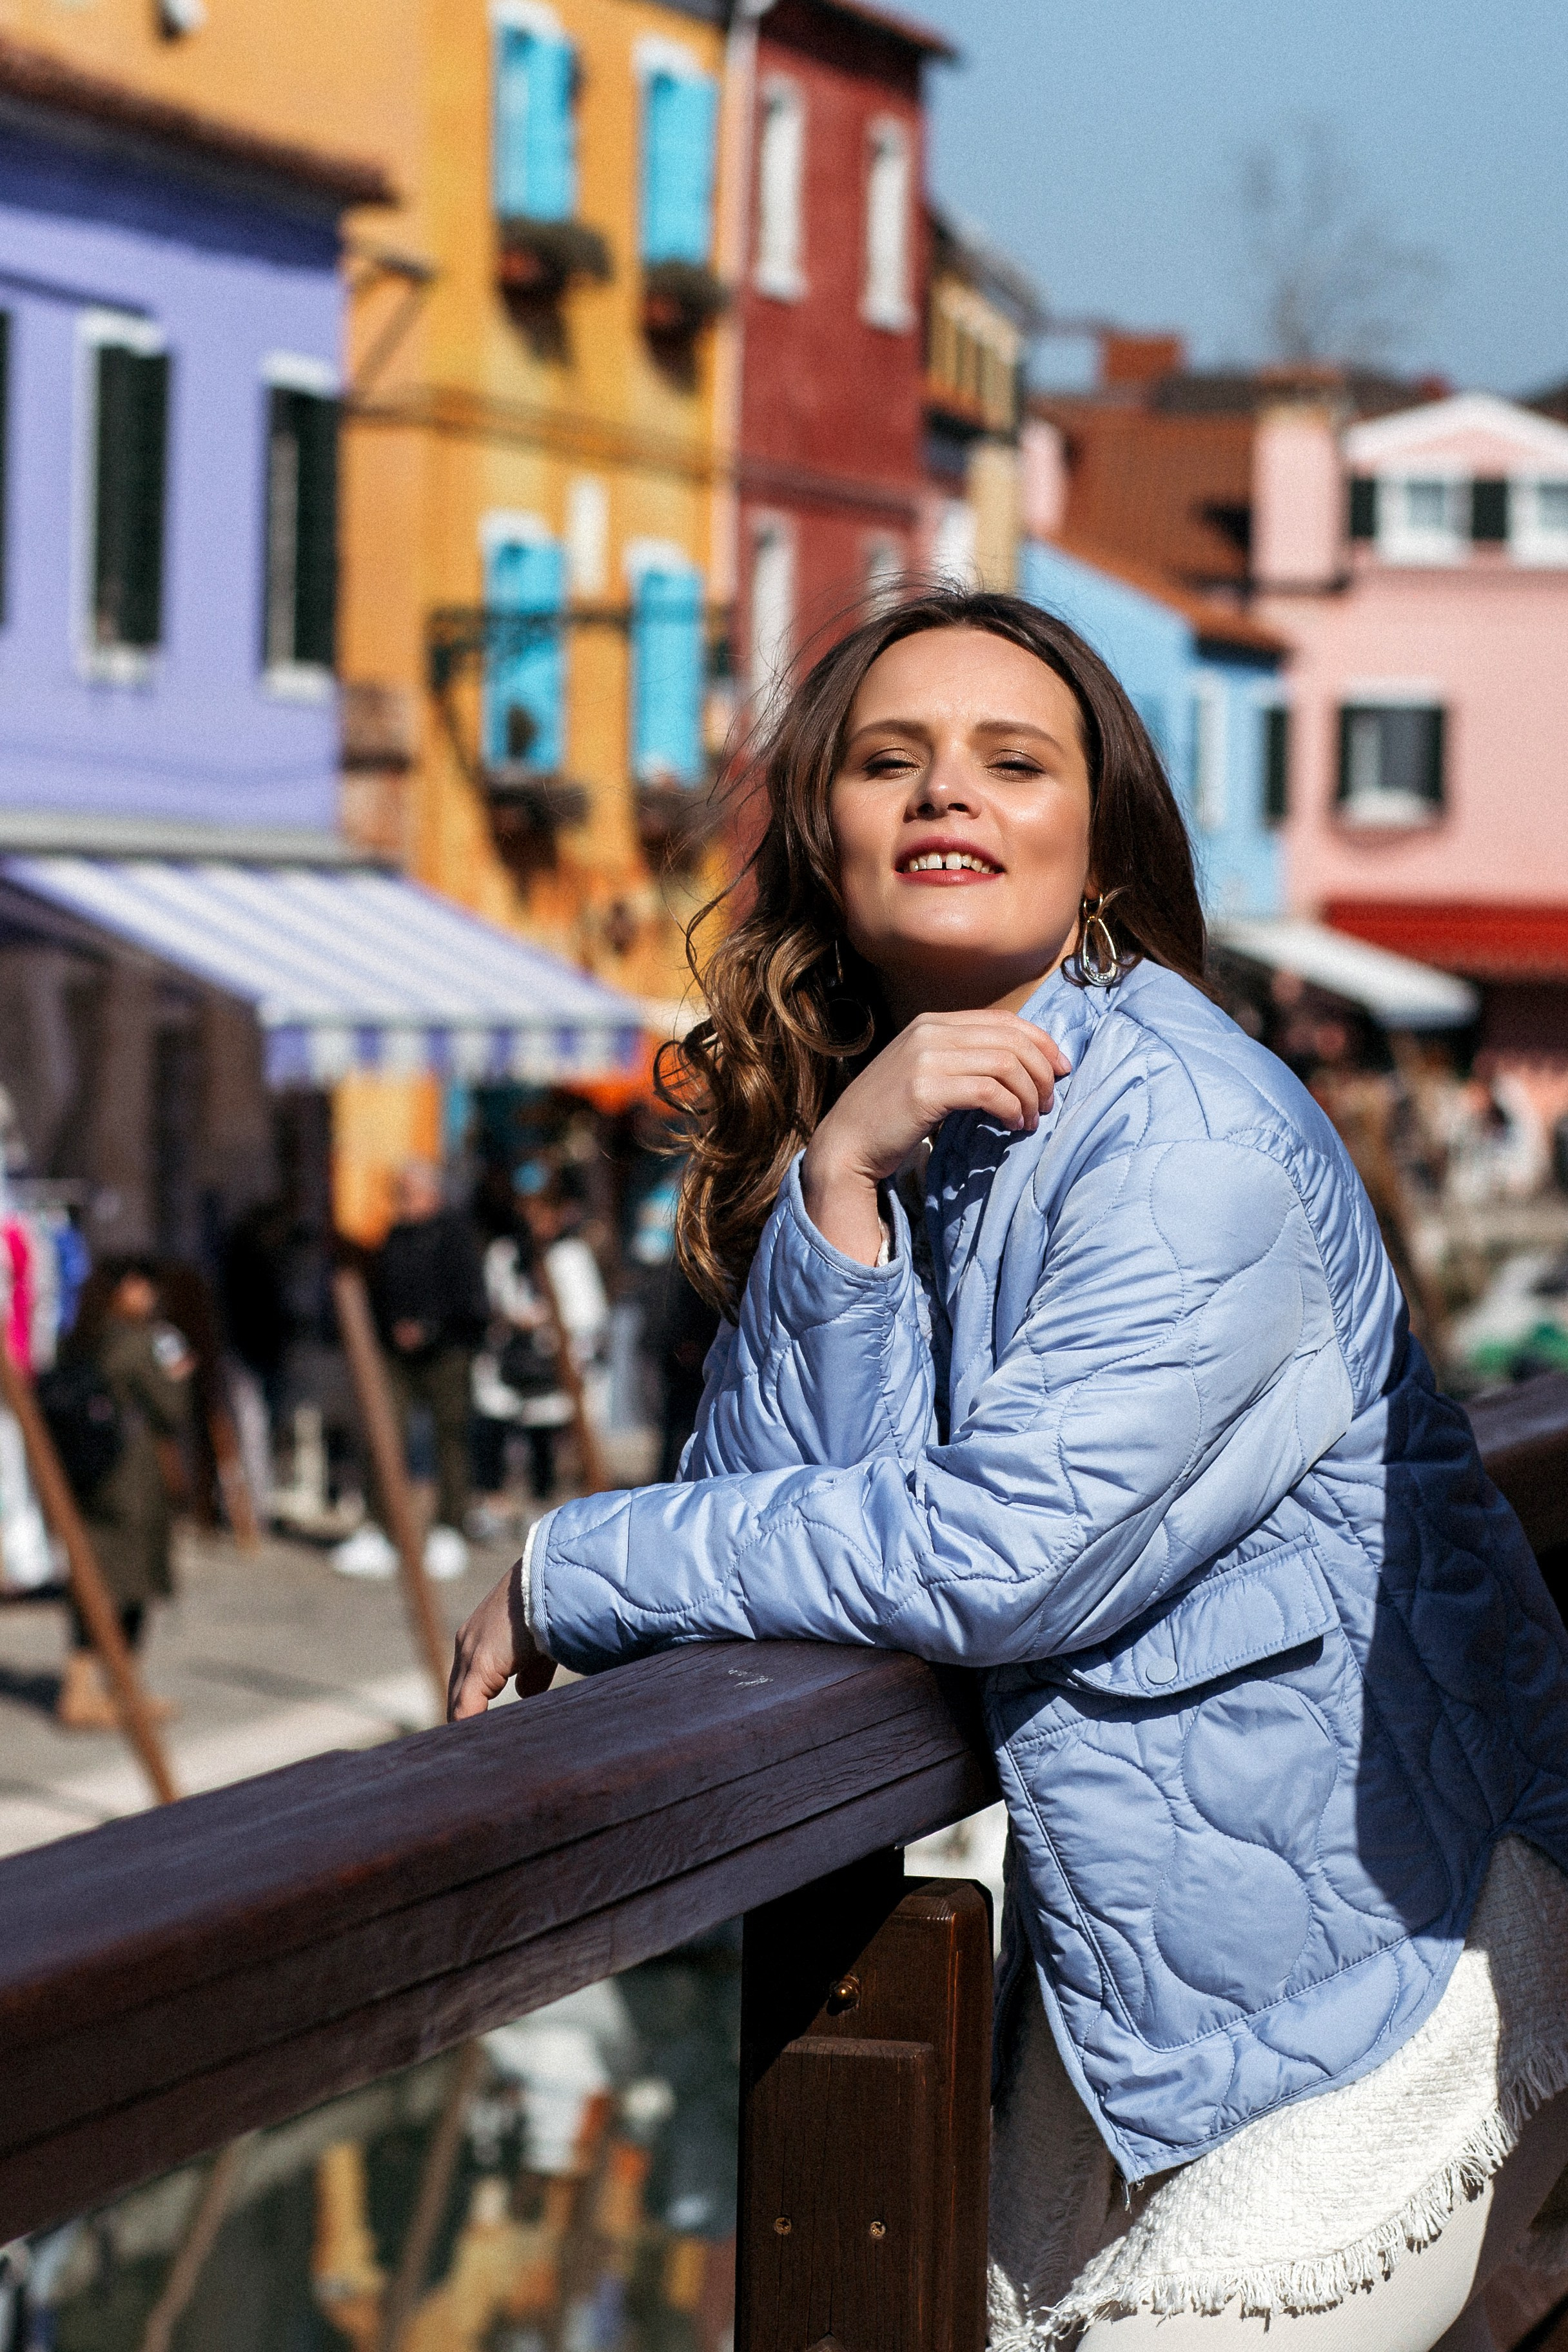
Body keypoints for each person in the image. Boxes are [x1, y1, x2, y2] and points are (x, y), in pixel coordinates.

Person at [450, 590, 1568, 2349]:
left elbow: (997, 1557)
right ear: (820, 837)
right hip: (1155, 1976)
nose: (945, 797)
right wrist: (832, 1191)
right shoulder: (917, 1123)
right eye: (889, 763)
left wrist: (573, 1565)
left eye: (1011, 761)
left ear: (1098, 840)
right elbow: (787, 1532)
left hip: (1387, 1950)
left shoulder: (1190, 1134)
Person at [56, 1258, 193, 1730]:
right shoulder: (138, 1342)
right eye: (142, 1284)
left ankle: (92, 1688)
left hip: (86, 1475)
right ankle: (116, 1689)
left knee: (93, 1582)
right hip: (131, 1474)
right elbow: (171, 1409)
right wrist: (177, 1375)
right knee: (133, 1583)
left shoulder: (81, 1336)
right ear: (125, 1289)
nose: (149, 1293)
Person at [335, 1162, 487, 1583]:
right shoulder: (394, 1237)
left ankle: (449, 1526)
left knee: (450, 1435)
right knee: (384, 1434)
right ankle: (382, 1528)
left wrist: (430, 1328)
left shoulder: (455, 1236)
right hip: (396, 1355)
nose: (402, 1202)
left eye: (409, 1193)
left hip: (446, 1352)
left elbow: (470, 1301)